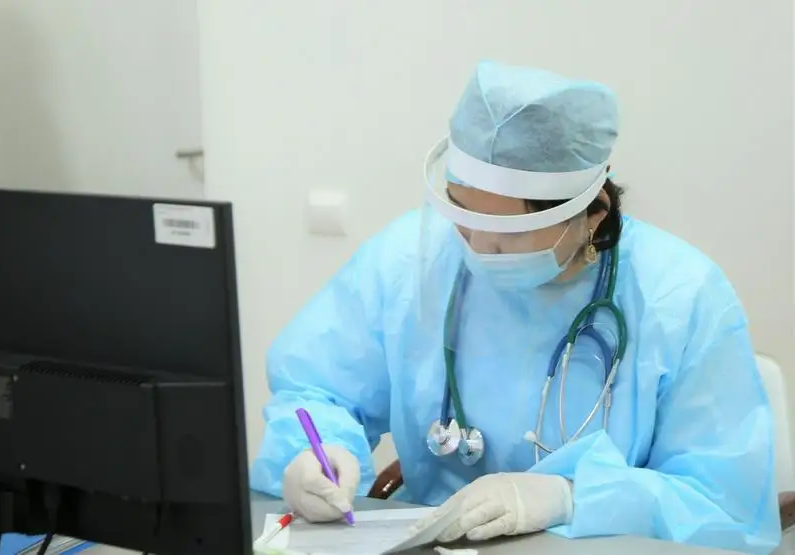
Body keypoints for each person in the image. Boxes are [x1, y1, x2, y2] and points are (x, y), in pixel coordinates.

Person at [250, 60, 780, 553]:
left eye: (509, 233)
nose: (479, 249)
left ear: (592, 213)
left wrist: (572, 497)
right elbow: (318, 388)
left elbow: (721, 506)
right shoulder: (409, 261)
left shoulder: (680, 297)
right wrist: (315, 454)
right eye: (464, 216)